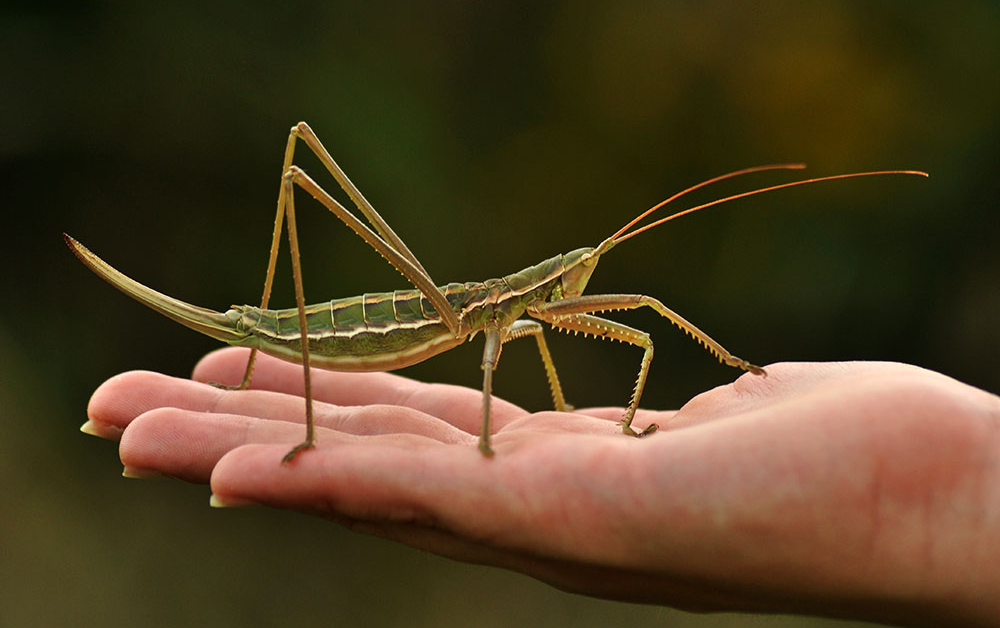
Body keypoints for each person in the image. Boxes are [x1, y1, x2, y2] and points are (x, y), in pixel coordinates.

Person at [82, 347, 1000, 626]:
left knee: (635, 327)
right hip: (424, 313)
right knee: (303, 152)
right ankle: (306, 401)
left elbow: (628, 334)